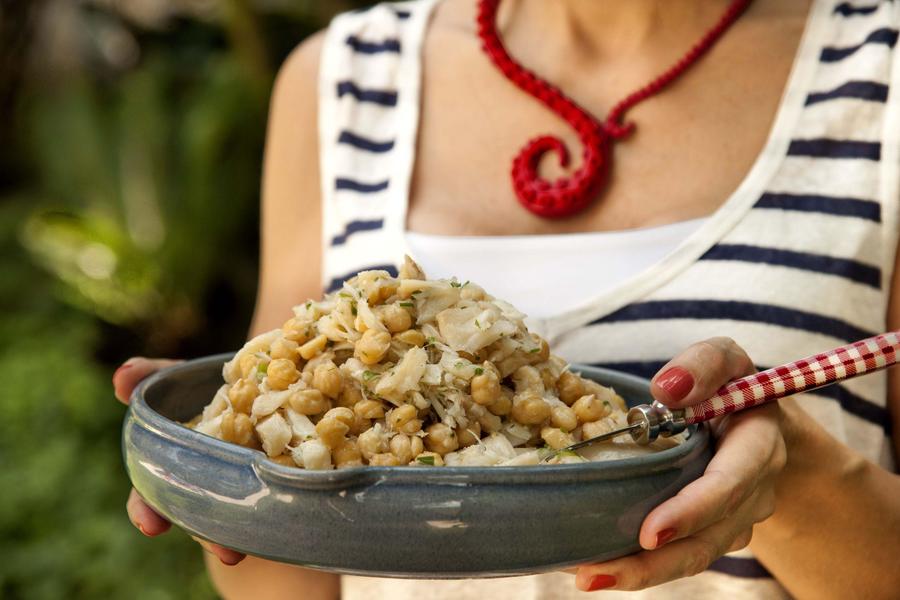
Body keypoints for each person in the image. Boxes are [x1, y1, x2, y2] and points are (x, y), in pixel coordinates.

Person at [112, 0, 900, 597]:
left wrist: (789, 478)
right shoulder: (346, 80)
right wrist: (215, 474)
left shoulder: (881, 72)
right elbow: (284, 583)